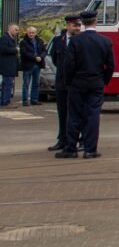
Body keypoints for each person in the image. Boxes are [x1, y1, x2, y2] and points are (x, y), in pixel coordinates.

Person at [56, 10, 115, 160]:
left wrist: (69, 81)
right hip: (96, 83)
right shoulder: (105, 41)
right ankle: (90, 150)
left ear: (82, 23)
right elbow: (110, 66)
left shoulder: (75, 41)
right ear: (95, 22)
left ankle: (70, 149)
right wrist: (103, 81)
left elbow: (68, 64)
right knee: (93, 116)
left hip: (77, 83)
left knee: (74, 115)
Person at [47, 14, 83, 152]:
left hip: (77, 83)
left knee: (77, 113)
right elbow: (56, 60)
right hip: (62, 83)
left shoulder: (81, 40)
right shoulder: (58, 40)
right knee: (62, 112)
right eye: (75, 25)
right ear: (67, 26)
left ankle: (79, 140)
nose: (77, 28)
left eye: (79, 25)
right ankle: (62, 139)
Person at [19, 26, 46, 106]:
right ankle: (25, 100)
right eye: (29, 32)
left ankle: (34, 99)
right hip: (28, 65)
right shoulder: (23, 42)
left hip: (38, 65)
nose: (31, 34)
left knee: (36, 83)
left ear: (35, 33)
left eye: (33, 32)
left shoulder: (40, 41)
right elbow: (24, 53)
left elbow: (45, 50)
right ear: (27, 33)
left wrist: (41, 57)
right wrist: (35, 57)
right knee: (26, 84)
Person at [0, 23, 19, 107]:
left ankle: (4, 101)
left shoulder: (12, 39)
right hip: (6, 65)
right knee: (8, 84)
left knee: (7, 84)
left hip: (11, 65)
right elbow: (3, 49)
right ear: (10, 29)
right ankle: (6, 102)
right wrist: (15, 49)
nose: (17, 32)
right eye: (16, 30)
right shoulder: (4, 38)